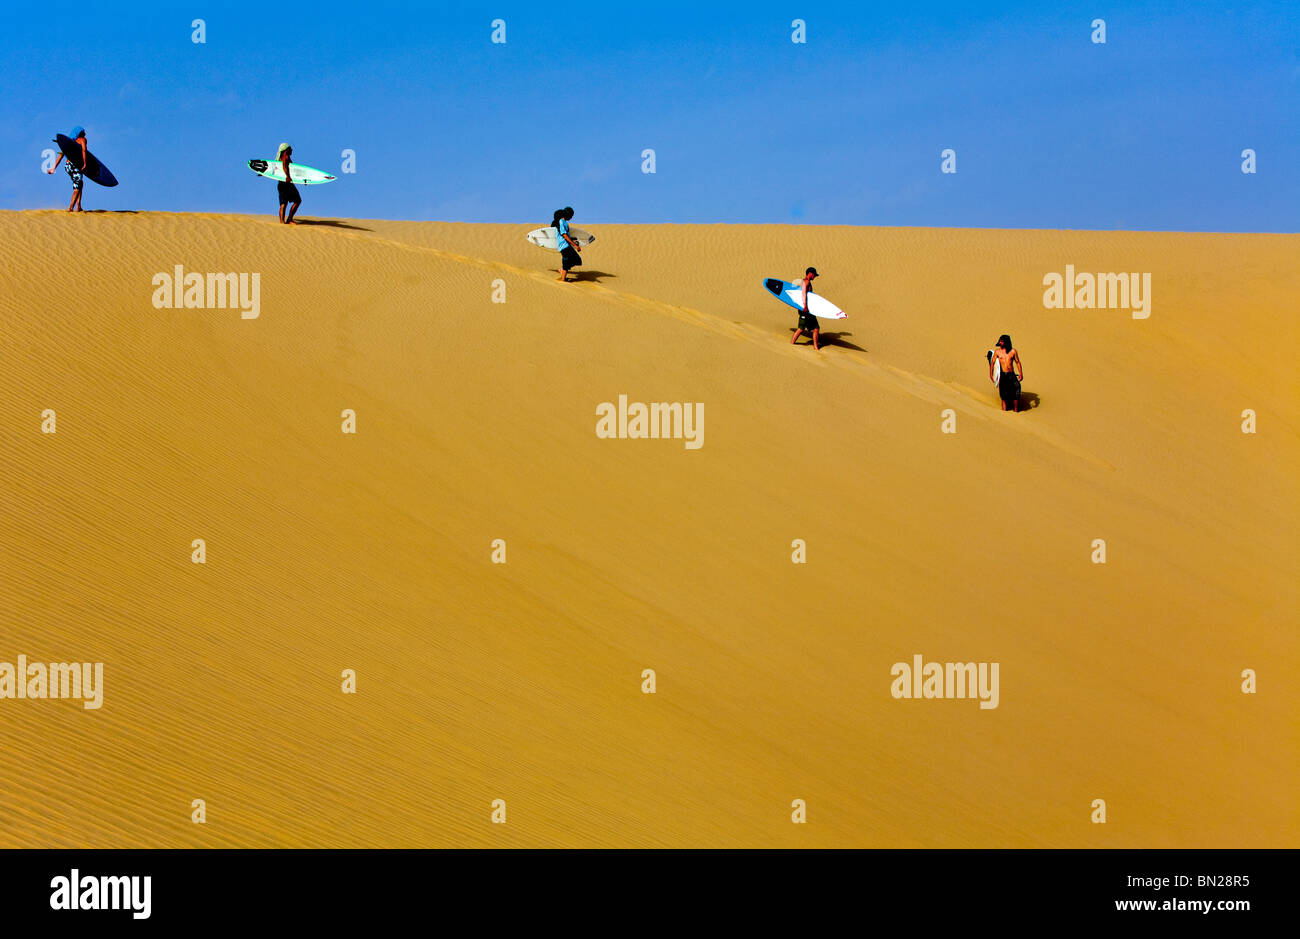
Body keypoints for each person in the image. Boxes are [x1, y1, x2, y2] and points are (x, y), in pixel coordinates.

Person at [47, 126, 88, 212]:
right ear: (81, 133)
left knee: (79, 183)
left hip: (68, 166)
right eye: (84, 132)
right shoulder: (82, 140)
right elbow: (84, 150)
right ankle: (71, 208)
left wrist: (53, 168)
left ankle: (79, 206)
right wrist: (85, 163)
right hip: (76, 165)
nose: (85, 134)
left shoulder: (69, 143)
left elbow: (61, 156)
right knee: (77, 187)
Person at [790, 267, 822, 350]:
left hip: (807, 309)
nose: (814, 277)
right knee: (803, 328)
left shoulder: (804, 281)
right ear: (810, 273)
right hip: (805, 309)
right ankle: (792, 344)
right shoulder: (806, 282)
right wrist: (805, 306)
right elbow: (803, 294)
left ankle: (815, 346)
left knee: (813, 328)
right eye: (814, 275)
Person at [989, 334, 1024, 412]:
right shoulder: (997, 352)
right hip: (1003, 375)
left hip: (1011, 374)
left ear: (1006, 342)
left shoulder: (1013, 351)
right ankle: (1004, 411)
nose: (1000, 343)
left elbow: (1018, 362)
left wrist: (1021, 373)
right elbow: (993, 363)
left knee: (1016, 390)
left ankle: (1016, 411)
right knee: (1003, 394)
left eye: (1002, 341)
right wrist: (991, 374)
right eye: (1000, 341)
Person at [276, 143, 302, 224]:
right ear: (286, 150)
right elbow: (284, 166)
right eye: (290, 149)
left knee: (284, 203)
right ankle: (289, 219)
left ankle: (282, 222)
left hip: (281, 183)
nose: (292, 150)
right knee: (298, 200)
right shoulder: (285, 157)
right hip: (287, 183)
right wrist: (287, 176)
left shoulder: (280, 158)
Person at [554, 206, 582, 282]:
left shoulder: (564, 222)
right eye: (571, 215)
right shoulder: (561, 222)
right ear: (568, 214)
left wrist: (574, 241)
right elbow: (564, 235)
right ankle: (563, 278)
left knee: (577, 261)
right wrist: (575, 245)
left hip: (567, 246)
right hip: (564, 246)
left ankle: (562, 271)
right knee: (569, 262)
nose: (571, 217)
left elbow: (567, 235)